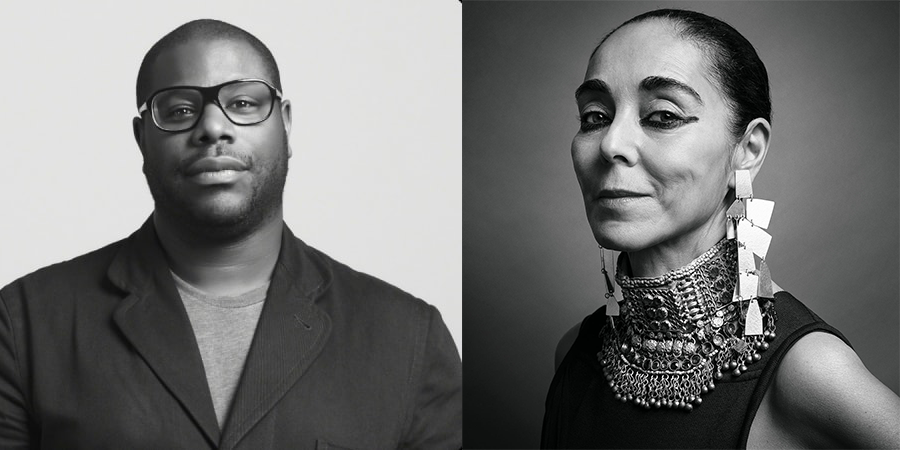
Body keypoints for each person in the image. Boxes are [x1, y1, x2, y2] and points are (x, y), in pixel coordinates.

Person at [0, 19, 461, 449]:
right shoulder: (24, 326)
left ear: (285, 123)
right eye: (180, 109)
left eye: (242, 103)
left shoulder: (409, 338)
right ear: (142, 140)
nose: (213, 127)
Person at [542, 9, 900, 449]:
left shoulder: (808, 372)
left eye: (662, 116)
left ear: (746, 151)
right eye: (595, 116)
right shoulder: (573, 352)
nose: (611, 144)